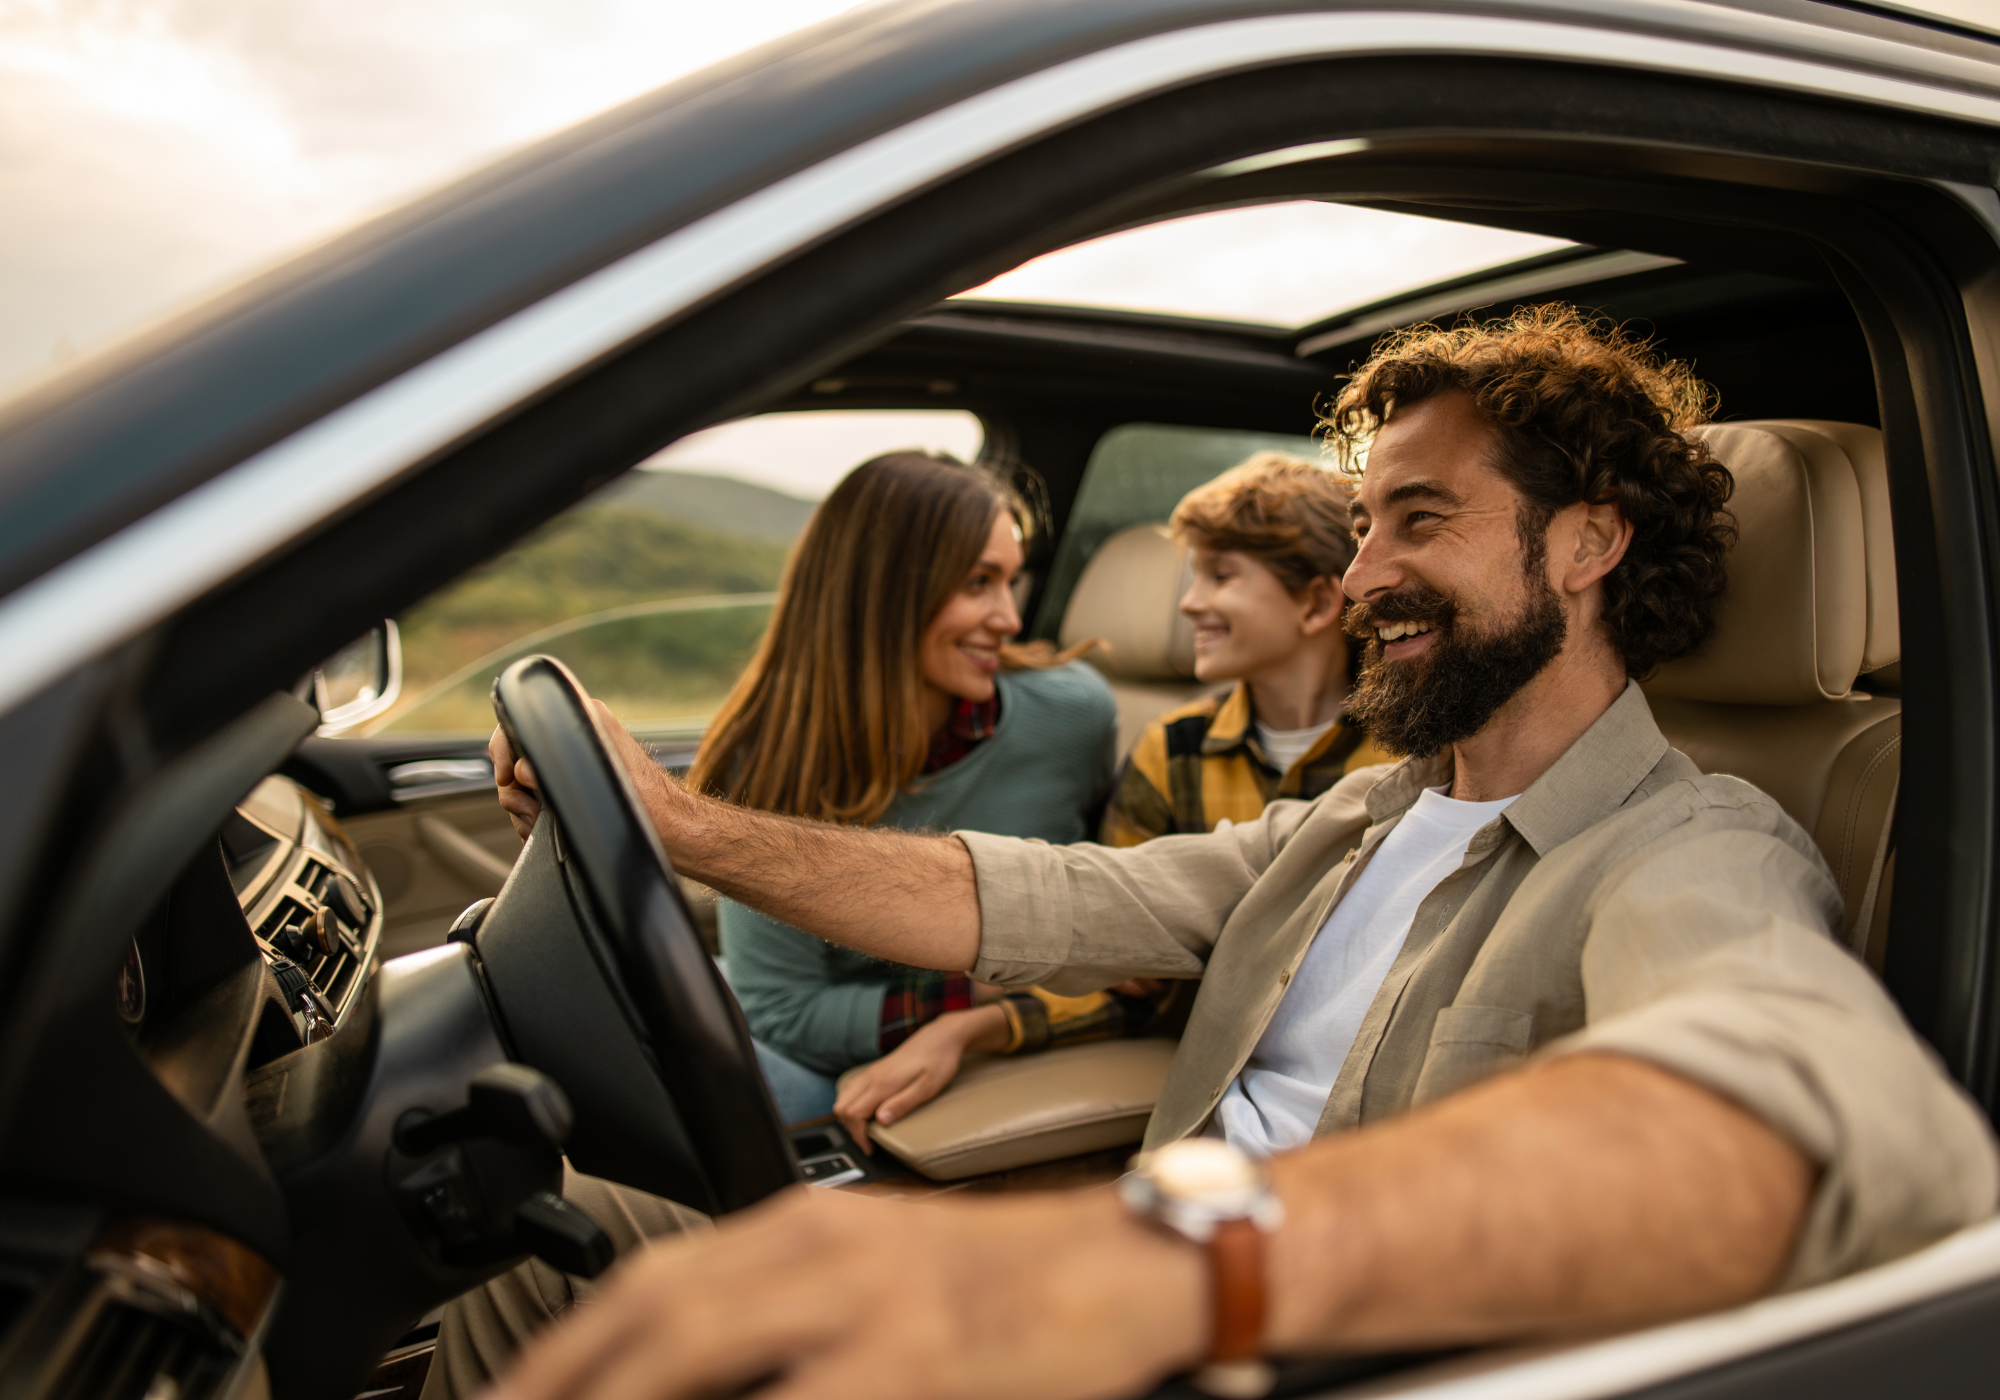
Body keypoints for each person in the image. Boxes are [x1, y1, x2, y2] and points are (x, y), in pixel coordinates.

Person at [470, 307, 1997, 1400]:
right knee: (525, 1240)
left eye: (1418, 520)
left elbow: (1796, 1106)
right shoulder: (1359, 815)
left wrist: (1149, 1271)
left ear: (1587, 545)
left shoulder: (1689, 843)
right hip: (1149, 1296)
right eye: (1360, 524)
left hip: (1289, 1336)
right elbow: (1045, 897)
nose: (1365, 571)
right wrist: (681, 827)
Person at [687, 450, 1119, 1125]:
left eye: (1011, 581)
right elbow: (783, 1010)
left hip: (992, 1056)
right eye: (978, 582)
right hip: (822, 1057)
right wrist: (976, 990)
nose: (1008, 617)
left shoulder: (1074, 716)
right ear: (883, 593)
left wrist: (984, 1010)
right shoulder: (768, 762)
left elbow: (1112, 926)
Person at [1101, 450, 1393, 847]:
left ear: (1317, 604)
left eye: (1221, 576)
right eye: (1196, 575)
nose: (1189, 603)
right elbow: (1124, 902)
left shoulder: (1408, 752)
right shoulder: (1168, 753)